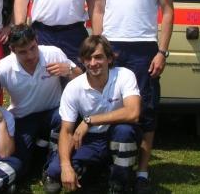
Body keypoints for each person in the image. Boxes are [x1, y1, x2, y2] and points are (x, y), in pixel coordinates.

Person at [91, 0, 174, 193]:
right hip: (111, 46)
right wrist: (97, 44)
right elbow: (99, 8)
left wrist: (162, 51)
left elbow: (168, 10)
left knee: (146, 110)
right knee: (111, 106)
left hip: (144, 48)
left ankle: (141, 171)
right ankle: (114, 165)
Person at [0, 25, 82, 178]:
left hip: (53, 112)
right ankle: (40, 151)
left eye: (32, 48)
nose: (30, 55)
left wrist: (69, 71)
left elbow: (82, 77)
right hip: (23, 118)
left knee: (65, 117)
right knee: (21, 167)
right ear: (12, 49)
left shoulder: (53, 53)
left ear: (37, 41)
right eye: (23, 52)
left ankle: (52, 167)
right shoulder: (4, 67)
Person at [44, 35, 141, 194]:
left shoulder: (124, 75)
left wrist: (90, 121)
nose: (93, 63)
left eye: (98, 57)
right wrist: (66, 167)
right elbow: (67, 131)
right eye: (88, 58)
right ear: (82, 61)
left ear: (109, 58)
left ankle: (120, 182)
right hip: (89, 139)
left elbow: (133, 112)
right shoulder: (74, 87)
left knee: (125, 131)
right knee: (57, 171)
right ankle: (98, 169)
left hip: (114, 135)